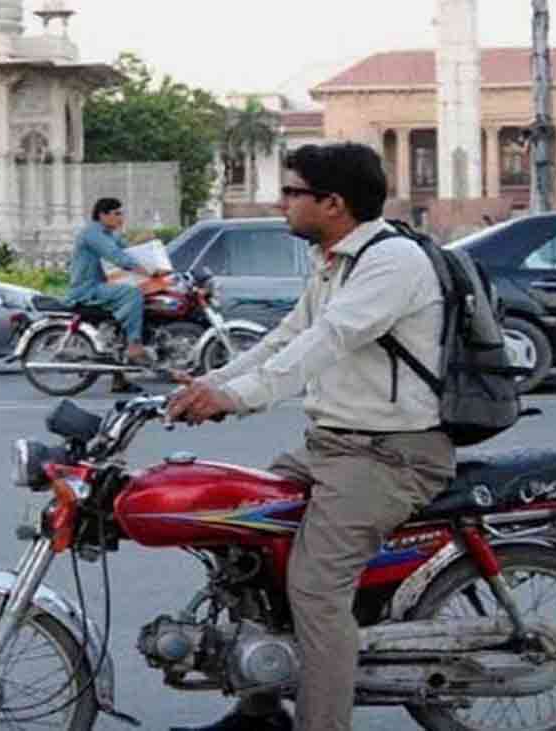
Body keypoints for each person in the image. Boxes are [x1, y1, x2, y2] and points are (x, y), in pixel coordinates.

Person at [166, 143, 454, 731]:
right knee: (244, 548)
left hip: (391, 456)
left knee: (316, 588)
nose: (283, 202)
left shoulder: (391, 261)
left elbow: (328, 341)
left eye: (293, 192)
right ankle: (259, 710)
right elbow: (283, 338)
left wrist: (236, 399)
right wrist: (208, 385)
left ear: (333, 203)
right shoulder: (336, 260)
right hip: (331, 447)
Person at [67, 197, 166, 394]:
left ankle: (119, 379)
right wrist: (146, 270)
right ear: (103, 215)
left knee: (143, 300)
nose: (121, 217)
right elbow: (117, 256)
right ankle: (134, 345)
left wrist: (149, 245)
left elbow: (128, 249)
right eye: (117, 213)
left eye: (122, 213)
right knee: (132, 293)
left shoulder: (109, 233)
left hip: (102, 286)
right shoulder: (92, 234)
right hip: (88, 288)